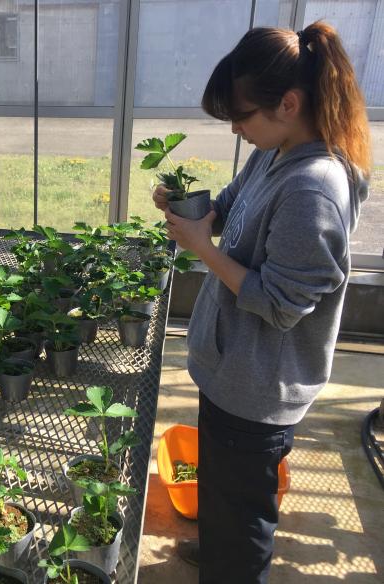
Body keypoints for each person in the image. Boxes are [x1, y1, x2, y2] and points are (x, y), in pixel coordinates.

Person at [152, 21, 369, 583]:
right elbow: (227, 207)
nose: (236, 130)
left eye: (242, 116)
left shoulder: (313, 188)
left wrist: (202, 249)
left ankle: (234, 564)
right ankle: (220, 546)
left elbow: (280, 304)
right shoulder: (274, 153)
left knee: (247, 510)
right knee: (222, 487)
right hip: (231, 370)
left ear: (289, 103)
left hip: (257, 389)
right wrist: (187, 207)